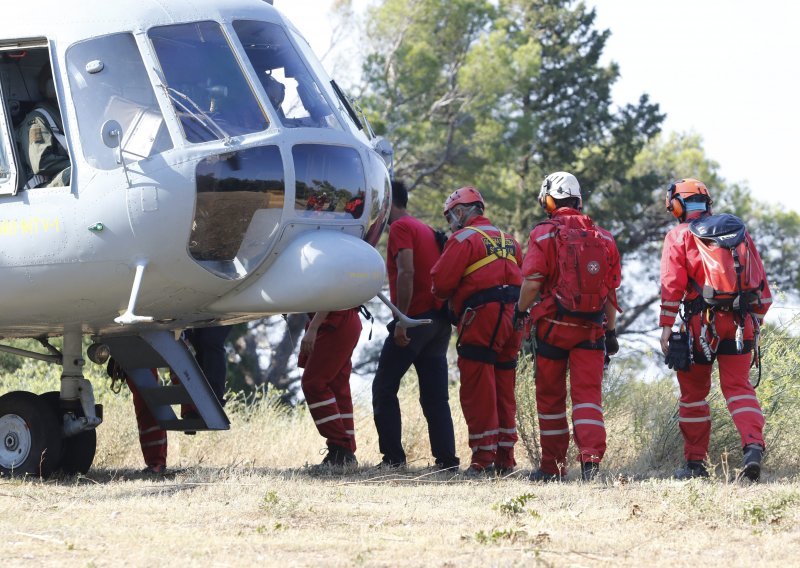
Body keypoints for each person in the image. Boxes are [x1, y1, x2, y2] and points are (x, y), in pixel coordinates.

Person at [660, 178, 771, 481]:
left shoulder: (678, 236)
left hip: (700, 325)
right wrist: (754, 323)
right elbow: (762, 286)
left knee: (694, 394)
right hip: (741, 322)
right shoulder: (739, 233)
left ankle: (696, 465)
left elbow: (672, 286)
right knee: (739, 388)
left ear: (677, 206)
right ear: (707, 203)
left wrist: (667, 327)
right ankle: (753, 446)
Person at [516, 172, 622, 482]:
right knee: (588, 398)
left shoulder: (544, 234)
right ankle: (590, 463)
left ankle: (553, 468)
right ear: (578, 200)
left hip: (553, 328)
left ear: (548, 199)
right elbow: (611, 292)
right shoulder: (604, 237)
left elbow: (532, 282)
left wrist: (520, 311)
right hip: (591, 330)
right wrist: (611, 331)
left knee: (550, 399)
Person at [430, 186, 523, 476]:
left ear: (460, 212)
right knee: (504, 386)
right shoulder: (510, 240)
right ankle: (505, 458)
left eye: (450, 217)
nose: (450, 224)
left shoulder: (463, 239)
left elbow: (441, 284)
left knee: (477, 386)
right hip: (516, 319)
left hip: (483, 318)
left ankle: (483, 459)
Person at [371, 180, 459, 470]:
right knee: (435, 396)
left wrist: (402, 321)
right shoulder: (426, 228)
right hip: (439, 322)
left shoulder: (400, 228)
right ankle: (447, 461)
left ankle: (393, 459)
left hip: (415, 320)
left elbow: (406, 271)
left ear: (388, 201)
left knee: (384, 386)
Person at [299, 309, 362, 468]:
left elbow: (331, 294)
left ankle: (340, 446)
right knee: (337, 387)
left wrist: (313, 328)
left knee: (313, 383)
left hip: (335, 321)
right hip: (345, 321)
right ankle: (344, 454)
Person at [16, 66, 71, 189]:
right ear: (52, 86)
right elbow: (40, 163)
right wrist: (79, 165)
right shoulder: (37, 120)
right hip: (46, 186)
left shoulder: (68, 117)